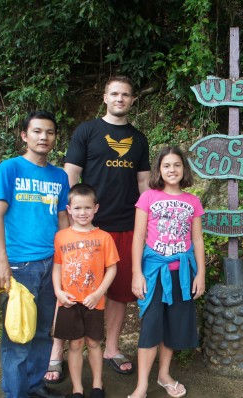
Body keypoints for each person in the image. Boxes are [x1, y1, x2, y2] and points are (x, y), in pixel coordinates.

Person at [45, 75, 150, 382]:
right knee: (71, 289)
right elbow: (70, 177)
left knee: (118, 294)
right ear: (105, 97)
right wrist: (72, 221)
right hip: (86, 228)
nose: (120, 99)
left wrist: (146, 224)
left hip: (124, 226)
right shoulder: (87, 131)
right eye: (114, 93)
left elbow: (144, 184)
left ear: (132, 100)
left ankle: (112, 349)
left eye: (126, 95)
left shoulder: (139, 139)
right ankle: (56, 353)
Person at [0, 111, 69, 398]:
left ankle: (35, 386)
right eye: (36, 131)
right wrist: (1, 261)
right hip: (21, 266)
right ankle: (16, 393)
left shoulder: (59, 176)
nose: (43, 137)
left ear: (55, 137)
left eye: (49, 132)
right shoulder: (9, 169)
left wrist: (66, 259)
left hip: (52, 263)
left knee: (44, 330)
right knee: (17, 334)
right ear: (24, 135)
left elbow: (62, 220)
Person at [127, 146, 206, 398]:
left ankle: (163, 375)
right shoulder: (148, 197)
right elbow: (138, 237)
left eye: (177, 165)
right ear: (158, 170)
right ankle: (141, 386)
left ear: (184, 169)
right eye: (166, 165)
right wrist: (136, 273)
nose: (172, 170)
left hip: (181, 274)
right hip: (153, 273)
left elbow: (198, 240)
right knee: (150, 326)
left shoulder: (192, 201)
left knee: (172, 327)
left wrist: (200, 273)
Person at [52, 183, 119, 398]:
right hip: (68, 301)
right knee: (75, 343)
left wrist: (99, 293)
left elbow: (112, 268)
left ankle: (98, 386)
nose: (83, 213)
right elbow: (57, 267)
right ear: (69, 209)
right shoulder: (61, 237)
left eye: (87, 208)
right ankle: (77, 389)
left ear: (96, 208)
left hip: (94, 301)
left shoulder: (104, 237)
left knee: (93, 342)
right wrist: (58, 292)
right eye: (78, 208)